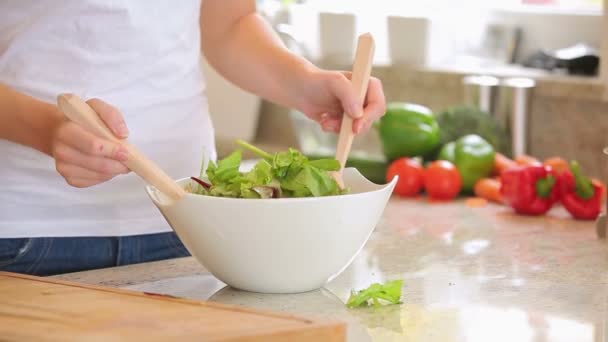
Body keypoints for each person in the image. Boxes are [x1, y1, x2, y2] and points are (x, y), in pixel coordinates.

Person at [0, 1, 386, 276]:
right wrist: (45, 129)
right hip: (29, 232)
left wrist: (304, 84)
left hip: (192, 223)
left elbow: (229, 24)